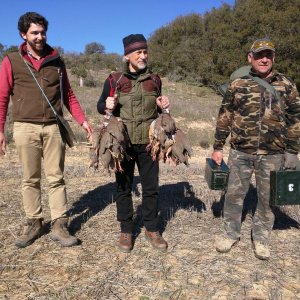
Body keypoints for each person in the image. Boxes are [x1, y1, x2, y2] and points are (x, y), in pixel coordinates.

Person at [0, 12, 93, 248]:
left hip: (53, 127)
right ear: (23, 34)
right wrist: (1, 130)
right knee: (30, 178)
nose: (40, 37)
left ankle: (60, 225)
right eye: (34, 32)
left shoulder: (57, 61)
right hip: (24, 127)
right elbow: (2, 97)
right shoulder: (11, 60)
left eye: (42, 32)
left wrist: (82, 121)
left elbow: (68, 95)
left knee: (56, 177)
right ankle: (34, 222)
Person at [211, 38, 300, 260]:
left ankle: (261, 238)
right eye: (259, 55)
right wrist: (218, 146)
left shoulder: (286, 85)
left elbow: (296, 119)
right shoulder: (238, 84)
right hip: (241, 152)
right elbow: (225, 116)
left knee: (268, 198)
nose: (264, 59)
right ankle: (230, 234)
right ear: (250, 58)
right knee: (233, 194)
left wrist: (292, 151)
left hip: (274, 154)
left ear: (273, 58)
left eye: (268, 55)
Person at [97, 34, 170, 253]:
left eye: (145, 51)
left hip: (149, 143)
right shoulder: (114, 79)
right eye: (138, 52)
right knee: (123, 187)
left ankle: (151, 229)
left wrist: (164, 105)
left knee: (151, 188)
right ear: (127, 55)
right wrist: (105, 104)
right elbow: (101, 105)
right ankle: (126, 231)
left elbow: (159, 108)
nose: (143, 55)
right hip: (123, 143)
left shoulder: (154, 80)